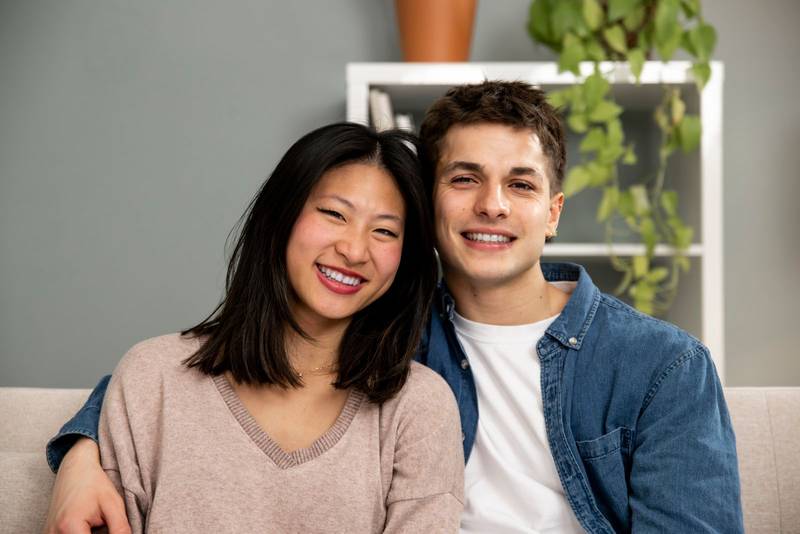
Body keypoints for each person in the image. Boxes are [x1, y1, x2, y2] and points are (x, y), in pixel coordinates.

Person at [45, 81, 743, 533]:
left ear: (553, 212)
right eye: (464, 178)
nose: (492, 204)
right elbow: (191, 378)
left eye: (521, 185)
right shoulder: (389, 338)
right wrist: (82, 450)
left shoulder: (661, 366)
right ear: (430, 203)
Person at [44, 122, 464, 533]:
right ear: (281, 216)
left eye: (385, 231)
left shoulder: (419, 406)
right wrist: (75, 455)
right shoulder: (152, 377)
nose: (354, 250)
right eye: (335, 213)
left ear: (405, 260)